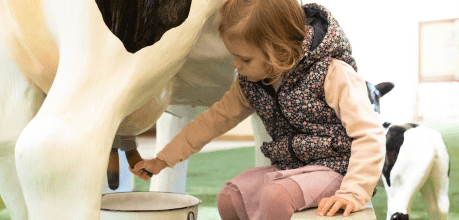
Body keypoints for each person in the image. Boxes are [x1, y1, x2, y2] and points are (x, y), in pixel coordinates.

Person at [130, 1, 384, 219]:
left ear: (278, 51)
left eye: (245, 59)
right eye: (234, 56)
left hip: (337, 168)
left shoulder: (332, 72)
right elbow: (212, 121)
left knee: (276, 196)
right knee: (230, 197)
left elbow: (369, 134)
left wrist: (354, 191)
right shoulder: (251, 84)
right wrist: (163, 159)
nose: (236, 65)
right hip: (293, 167)